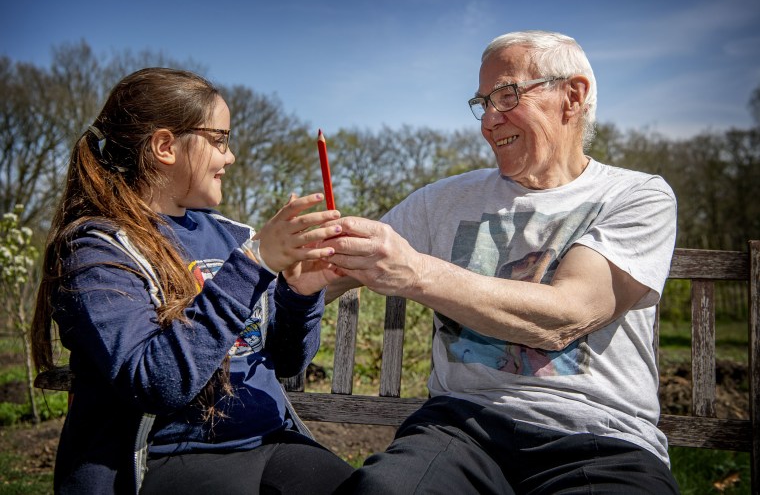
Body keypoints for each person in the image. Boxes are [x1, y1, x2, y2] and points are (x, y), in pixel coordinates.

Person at [324, 30, 680, 494]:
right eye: (483, 102)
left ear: (572, 96)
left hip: (601, 438)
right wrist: (264, 273)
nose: (489, 121)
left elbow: (566, 315)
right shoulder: (442, 200)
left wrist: (416, 272)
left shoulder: (636, 196)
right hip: (460, 426)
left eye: (507, 95)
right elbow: (330, 271)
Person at [30, 68, 354, 495]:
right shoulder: (95, 250)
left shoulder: (229, 234)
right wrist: (253, 265)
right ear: (165, 146)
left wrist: (299, 295)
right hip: (166, 458)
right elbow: (156, 383)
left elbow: (287, 361)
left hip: (271, 441)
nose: (230, 156)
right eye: (219, 140)